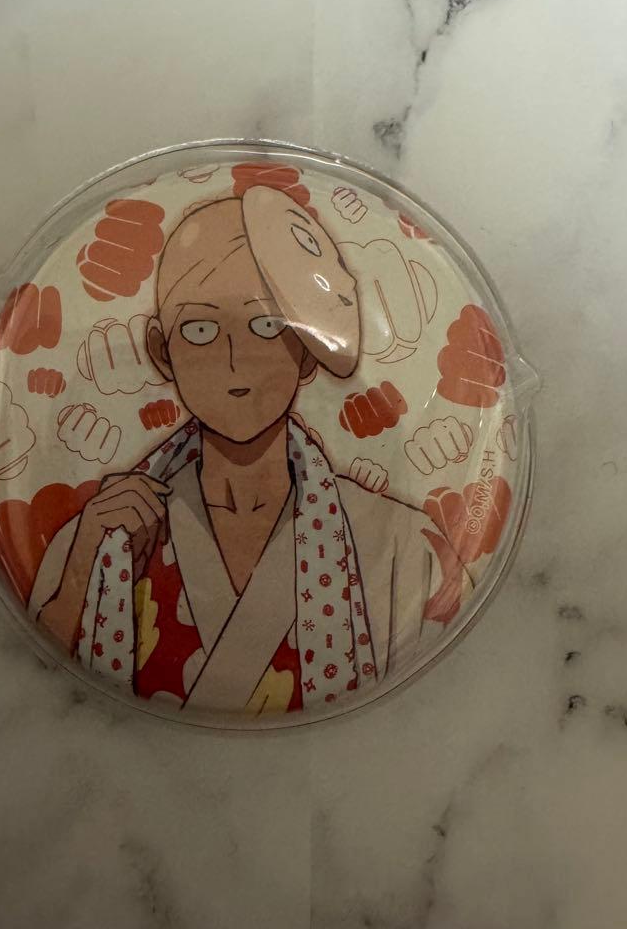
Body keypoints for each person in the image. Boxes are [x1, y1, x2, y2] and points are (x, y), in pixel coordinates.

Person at [28, 185, 471, 716]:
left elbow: (438, 704)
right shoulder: (99, 536)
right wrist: (84, 565)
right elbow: (40, 688)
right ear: (161, 351)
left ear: (307, 352)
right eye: (199, 329)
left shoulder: (405, 547)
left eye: (266, 326)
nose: (234, 360)